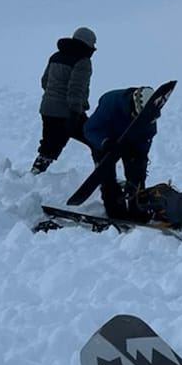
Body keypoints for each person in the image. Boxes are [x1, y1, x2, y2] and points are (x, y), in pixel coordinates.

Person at [32, 27, 97, 174]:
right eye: (93, 45)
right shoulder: (83, 61)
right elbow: (76, 89)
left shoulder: (56, 56)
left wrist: (53, 97)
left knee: (50, 146)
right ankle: (103, 173)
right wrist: (75, 112)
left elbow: (44, 81)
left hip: (47, 109)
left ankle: (35, 173)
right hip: (68, 112)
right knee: (95, 139)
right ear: (87, 44)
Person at [84, 86, 155, 220]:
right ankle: (115, 211)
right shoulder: (111, 103)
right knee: (107, 176)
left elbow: (147, 135)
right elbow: (90, 129)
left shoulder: (151, 111)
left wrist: (140, 156)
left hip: (132, 140)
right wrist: (105, 142)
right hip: (106, 141)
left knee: (137, 175)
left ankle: (138, 209)